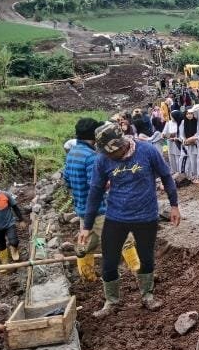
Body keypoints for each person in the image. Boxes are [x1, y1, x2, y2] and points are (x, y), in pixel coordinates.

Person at [80, 122, 180, 318]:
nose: (110, 156)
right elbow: (95, 192)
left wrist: (174, 205)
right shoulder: (102, 160)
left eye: (113, 152)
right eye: (107, 153)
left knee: (146, 257)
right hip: (116, 216)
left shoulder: (147, 151)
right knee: (109, 261)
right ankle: (111, 301)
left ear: (123, 143)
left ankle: (147, 295)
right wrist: (87, 225)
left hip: (146, 215)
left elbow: (167, 176)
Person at [63, 118, 141, 281]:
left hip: (82, 209)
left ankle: (87, 277)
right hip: (100, 210)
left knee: (87, 244)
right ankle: (138, 272)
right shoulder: (91, 156)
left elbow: (67, 181)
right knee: (124, 239)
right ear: (94, 136)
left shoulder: (72, 153)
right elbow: (97, 185)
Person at [0, 181, 25, 267]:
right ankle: (4, 262)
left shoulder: (5, 195)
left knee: (14, 241)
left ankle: (14, 250)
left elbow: (15, 207)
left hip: (9, 224)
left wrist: (21, 220)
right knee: (1, 246)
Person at [179, 108, 199, 179]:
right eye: (187, 114)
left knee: (197, 160)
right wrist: (184, 140)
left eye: (191, 113)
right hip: (188, 144)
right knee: (191, 160)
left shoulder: (197, 121)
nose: (189, 115)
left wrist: (193, 139)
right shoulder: (183, 122)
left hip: (196, 143)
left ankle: (198, 175)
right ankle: (192, 175)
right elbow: (181, 134)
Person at [162, 110, 183, 174]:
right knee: (171, 156)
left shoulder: (180, 123)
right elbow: (164, 131)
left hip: (177, 142)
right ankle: (173, 170)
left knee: (177, 156)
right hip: (170, 142)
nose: (171, 118)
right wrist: (164, 134)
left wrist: (175, 136)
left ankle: (179, 171)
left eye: (172, 116)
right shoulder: (168, 123)